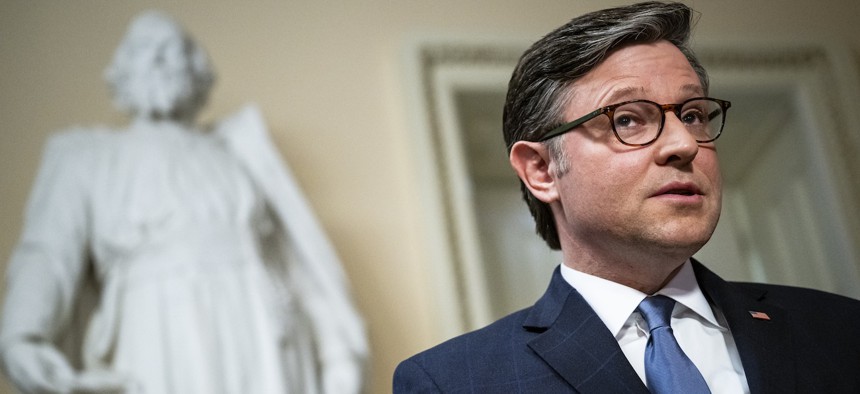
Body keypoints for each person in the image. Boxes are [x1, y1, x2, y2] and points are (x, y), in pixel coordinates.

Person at [394, 2, 860, 393]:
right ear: (541, 170)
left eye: (694, 114)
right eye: (628, 119)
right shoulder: (454, 381)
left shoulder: (839, 328)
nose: (683, 144)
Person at [0, 10, 368, 394]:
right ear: (123, 71)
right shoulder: (88, 157)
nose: (159, 59)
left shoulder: (239, 154)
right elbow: (47, 252)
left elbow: (295, 266)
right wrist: (21, 333)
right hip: (158, 330)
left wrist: (338, 354)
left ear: (196, 69)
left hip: (260, 328)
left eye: (172, 49)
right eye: (144, 50)